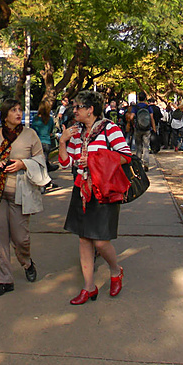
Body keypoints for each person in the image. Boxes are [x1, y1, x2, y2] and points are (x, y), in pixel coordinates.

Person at [58, 90, 130, 305]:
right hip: (81, 189)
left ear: (91, 109)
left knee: (99, 241)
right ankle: (88, 287)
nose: (74, 110)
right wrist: (63, 142)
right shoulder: (75, 132)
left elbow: (126, 156)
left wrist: (94, 160)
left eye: (79, 106)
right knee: (83, 238)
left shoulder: (110, 129)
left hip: (104, 191)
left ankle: (116, 270)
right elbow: (66, 162)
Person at [0, 99, 50, 297]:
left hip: (20, 192)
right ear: (5, 115)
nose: (18, 113)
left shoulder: (30, 135)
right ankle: (4, 279)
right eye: (13, 110)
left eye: (20, 110)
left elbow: (41, 160)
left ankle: (26, 263)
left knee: (20, 238)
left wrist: (22, 164)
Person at [30, 102, 59, 173]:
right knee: (45, 160)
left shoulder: (35, 119)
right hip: (47, 142)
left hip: (37, 142)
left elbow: (33, 130)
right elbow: (51, 130)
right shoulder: (50, 119)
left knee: (38, 161)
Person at [131, 91, 156, 170]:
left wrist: (133, 124)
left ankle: (138, 164)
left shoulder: (135, 107)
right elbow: (152, 118)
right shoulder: (148, 107)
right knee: (146, 146)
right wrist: (154, 128)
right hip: (147, 129)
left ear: (138, 98)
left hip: (138, 129)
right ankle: (146, 163)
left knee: (138, 147)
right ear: (145, 98)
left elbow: (131, 117)